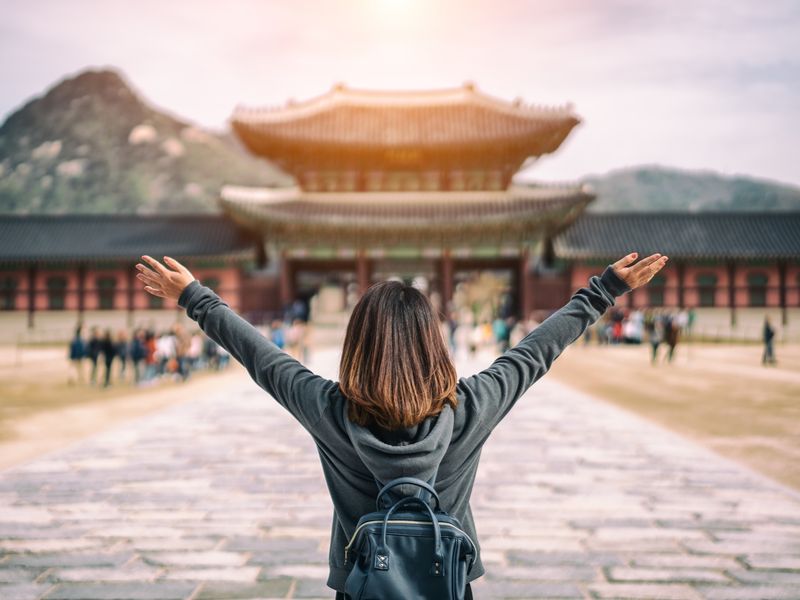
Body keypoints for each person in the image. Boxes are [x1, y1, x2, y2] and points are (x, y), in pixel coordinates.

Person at [136, 251, 668, 599]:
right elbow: (535, 353)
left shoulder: (330, 411)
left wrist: (193, 296)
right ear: (434, 343)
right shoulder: (470, 407)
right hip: (448, 582)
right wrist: (604, 289)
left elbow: (260, 357)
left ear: (358, 345)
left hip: (364, 585)